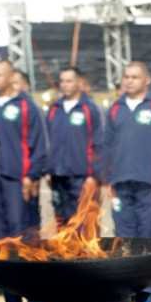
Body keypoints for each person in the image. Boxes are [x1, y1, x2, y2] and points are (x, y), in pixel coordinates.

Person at [0, 59, 48, 281]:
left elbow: (39, 144)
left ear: (11, 77)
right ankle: (1, 278)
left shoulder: (26, 106)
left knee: (20, 228)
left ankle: (25, 276)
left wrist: (31, 175)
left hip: (16, 178)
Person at [103, 62, 151, 239]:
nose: (129, 81)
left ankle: (150, 260)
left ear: (147, 80)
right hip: (121, 183)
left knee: (150, 237)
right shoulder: (115, 108)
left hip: (150, 183)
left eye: (135, 77)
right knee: (124, 237)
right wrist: (107, 179)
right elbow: (107, 145)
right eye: (126, 77)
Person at [46, 66, 102, 223]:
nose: (64, 85)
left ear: (79, 82)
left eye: (69, 81)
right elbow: (47, 141)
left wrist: (94, 175)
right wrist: (48, 169)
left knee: (83, 221)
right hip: (58, 176)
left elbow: (99, 143)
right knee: (61, 222)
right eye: (62, 81)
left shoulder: (90, 109)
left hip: (81, 177)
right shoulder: (54, 109)